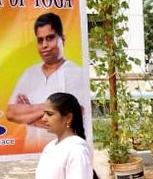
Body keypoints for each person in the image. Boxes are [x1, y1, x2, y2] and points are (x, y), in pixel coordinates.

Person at [5, 12, 91, 150]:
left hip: (66, 150)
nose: (44, 45)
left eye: (50, 38)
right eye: (40, 40)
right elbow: (11, 113)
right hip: (30, 151)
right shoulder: (29, 73)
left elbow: (73, 118)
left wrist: (28, 113)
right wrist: (55, 110)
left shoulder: (74, 73)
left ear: (62, 39)